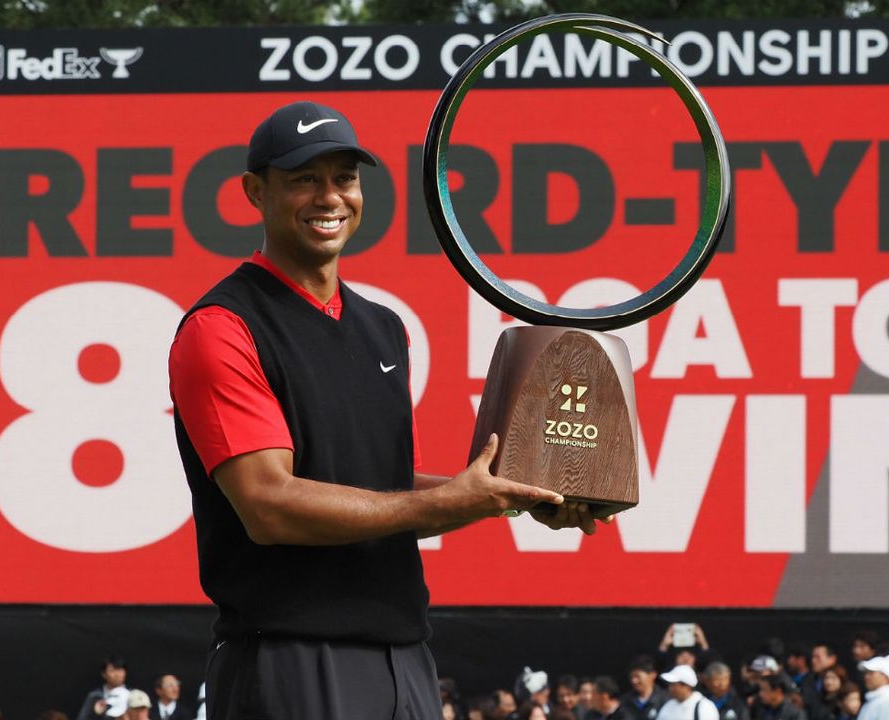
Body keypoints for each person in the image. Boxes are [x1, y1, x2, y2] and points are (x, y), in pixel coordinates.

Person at [168, 100, 598, 719]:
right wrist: (452, 501)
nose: (329, 197)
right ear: (254, 191)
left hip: (405, 656)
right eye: (303, 179)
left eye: (344, 177)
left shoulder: (382, 328)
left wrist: (509, 494)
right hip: (291, 659)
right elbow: (269, 506)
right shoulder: (223, 326)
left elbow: (381, 494)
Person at [623, 656, 671, 720]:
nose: (634, 681)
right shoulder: (625, 700)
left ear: (652, 675)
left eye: (638, 676)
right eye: (631, 677)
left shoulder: (666, 699)